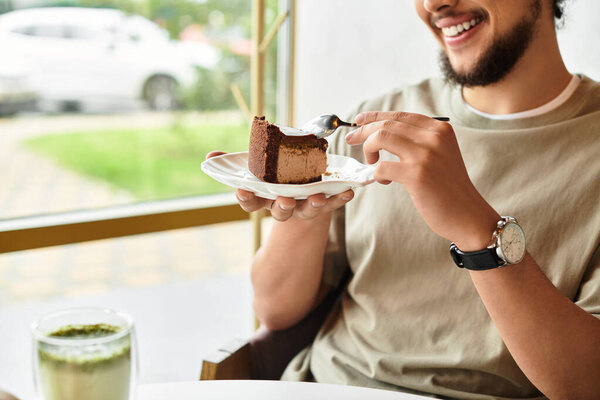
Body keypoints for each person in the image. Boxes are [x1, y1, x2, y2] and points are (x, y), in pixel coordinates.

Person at [209, 0, 600, 398]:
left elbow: (587, 384)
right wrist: (302, 201)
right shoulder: (373, 125)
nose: (435, 4)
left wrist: (476, 228)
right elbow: (275, 309)